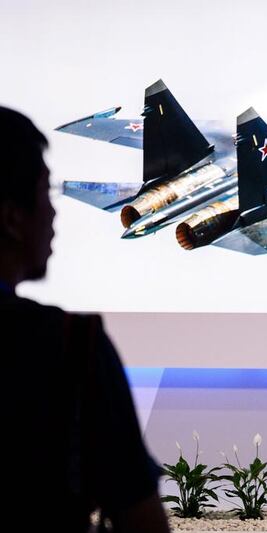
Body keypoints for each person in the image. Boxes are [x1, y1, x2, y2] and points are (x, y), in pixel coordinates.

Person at [0, 106, 171, 533]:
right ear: (11, 217)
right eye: (45, 193)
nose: (54, 214)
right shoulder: (73, 346)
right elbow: (142, 522)